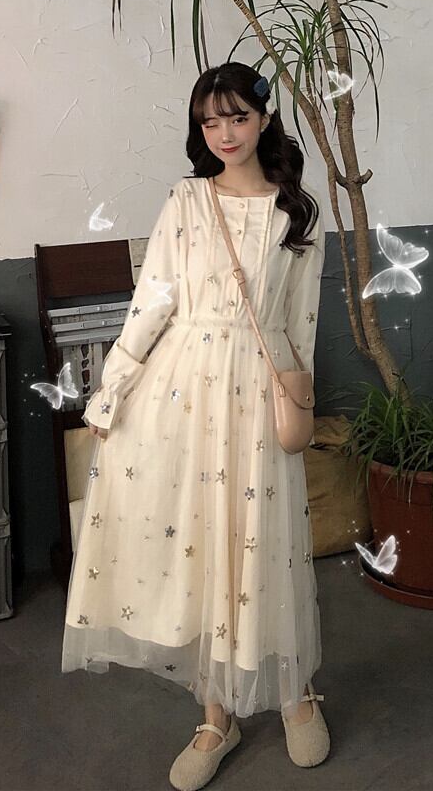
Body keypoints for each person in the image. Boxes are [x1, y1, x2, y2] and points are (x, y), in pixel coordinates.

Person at [61, 62, 329, 790]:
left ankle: (295, 692)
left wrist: (298, 397)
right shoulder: (186, 200)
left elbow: (300, 319)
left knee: (265, 542)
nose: (225, 134)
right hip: (180, 390)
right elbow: (153, 300)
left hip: (259, 389)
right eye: (211, 122)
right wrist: (113, 390)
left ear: (264, 119)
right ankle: (215, 715)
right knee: (200, 544)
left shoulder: (297, 214)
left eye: (238, 117)